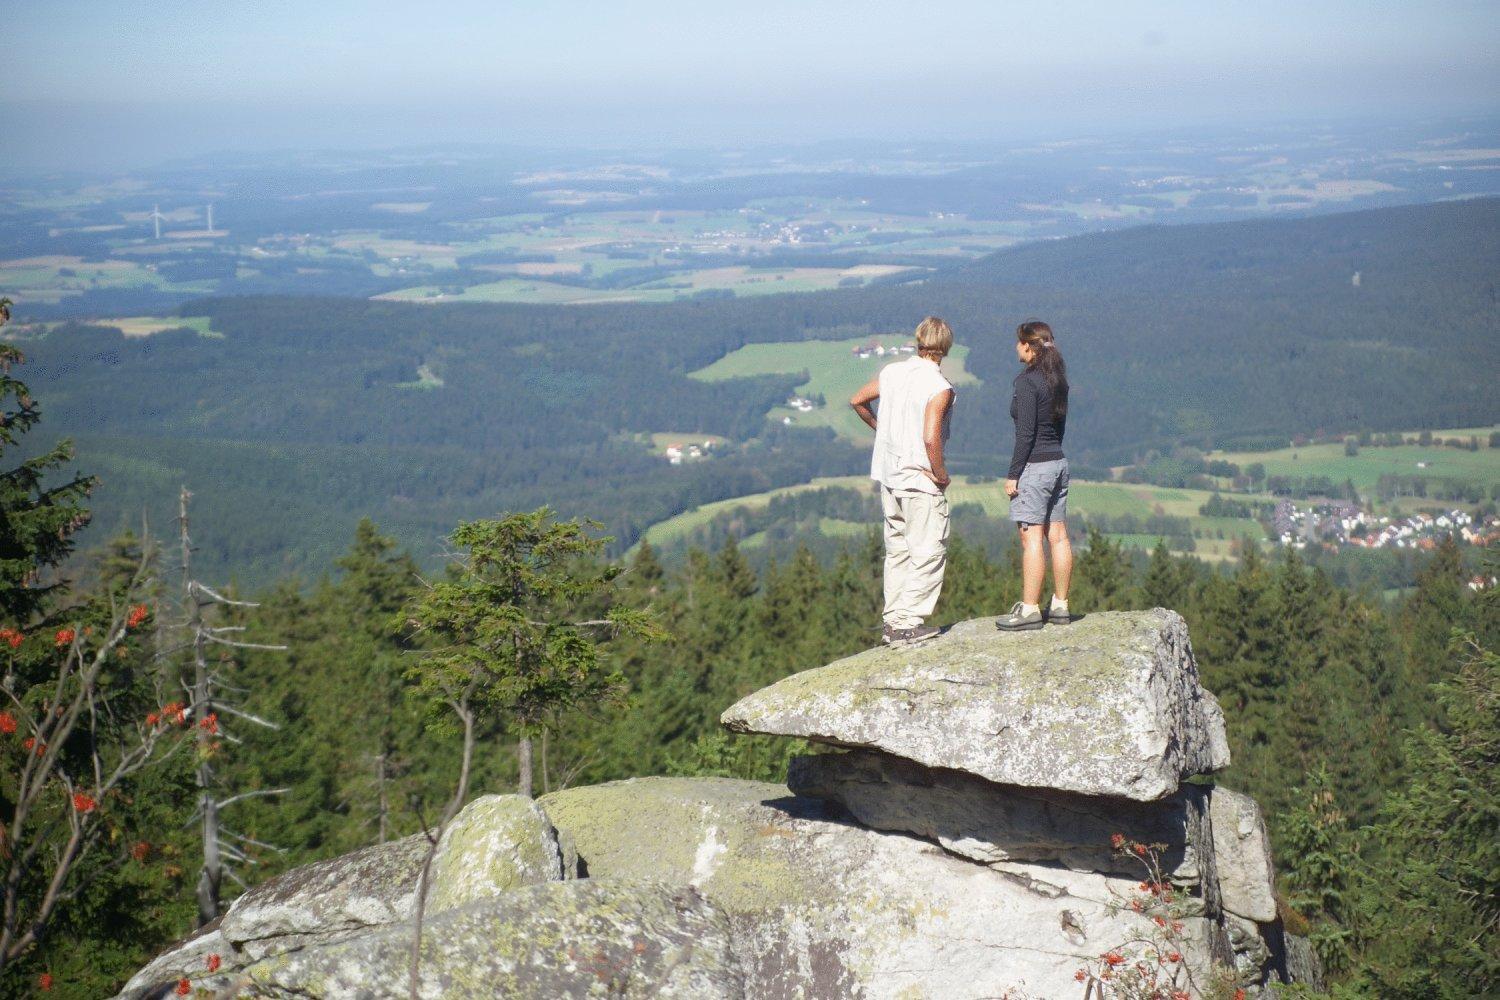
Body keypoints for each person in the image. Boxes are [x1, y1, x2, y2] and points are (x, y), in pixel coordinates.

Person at [850, 317, 957, 645]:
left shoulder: (892, 372)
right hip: (918, 481)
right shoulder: (940, 388)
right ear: (945, 348)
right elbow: (930, 437)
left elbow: (858, 400)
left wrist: (883, 430)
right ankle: (908, 623)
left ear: (918, 341)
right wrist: (940, 474)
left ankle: (893, 619)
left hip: (888, 476)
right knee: (928, 550)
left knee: (897, 550)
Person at [996, 319, 1073, 631]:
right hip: (1058, 462)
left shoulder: (1027, 382)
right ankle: (1060, 605)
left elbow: (1025, 433)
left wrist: (1014, 474)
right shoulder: (1058, 379)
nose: (1016, 347)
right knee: (1058, 536)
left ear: (1028, 346)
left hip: (1035, 468)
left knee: (1031, 539)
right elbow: (1060, 426)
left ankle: (1029, 610)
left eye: (1019, 342)